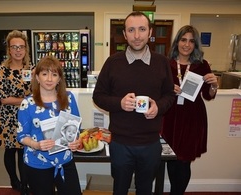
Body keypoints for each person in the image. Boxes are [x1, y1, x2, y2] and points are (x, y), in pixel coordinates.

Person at [92, 11, 175, 195]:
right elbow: (98, 96)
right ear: (124, 34)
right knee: (120, 189)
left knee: (145, 190)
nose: (137, 36)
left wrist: (158, 107)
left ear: (150, 32)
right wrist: (119, 103)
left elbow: (170, 94)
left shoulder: (162, 62)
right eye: (131, 30)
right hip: (121, 143)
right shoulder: (112, 63)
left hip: (151, 143)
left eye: (142, 29)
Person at [160, 25, 218, 195]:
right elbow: (157, 91)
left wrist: (214, 85)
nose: (187, 44)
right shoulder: (165, 64)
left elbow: (208, 96)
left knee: (184, 161)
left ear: (196, 44)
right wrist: (169, 89)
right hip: (170, 117)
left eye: (191, 41)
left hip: (192, 118)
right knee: (171, 159)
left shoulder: (201, 65)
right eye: (183, 40)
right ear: (177, 42)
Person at [16, 55, 82, 195]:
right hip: (37, 163)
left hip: (64, 160)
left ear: (59, 79)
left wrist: (77, 141)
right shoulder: (27, 104)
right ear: (37, 78)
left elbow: (76, 129)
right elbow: (21, 135)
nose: (49, 79)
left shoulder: (69, 98)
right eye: (44, 74)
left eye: (54, 74)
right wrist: (36, 145)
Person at [0, 30, 33, 195]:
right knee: (10, 151)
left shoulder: (30, 69)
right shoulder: (1, 70)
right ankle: (13, 179)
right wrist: (25, 99)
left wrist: (21, 98)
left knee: (24, 151)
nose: (18, 50)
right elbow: (2, 99)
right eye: (14, 47)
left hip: (26, 117)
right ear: (9, 50)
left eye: (21, 47)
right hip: (8, 118)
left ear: (26, 49)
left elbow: (34, 92)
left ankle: (24, 184)